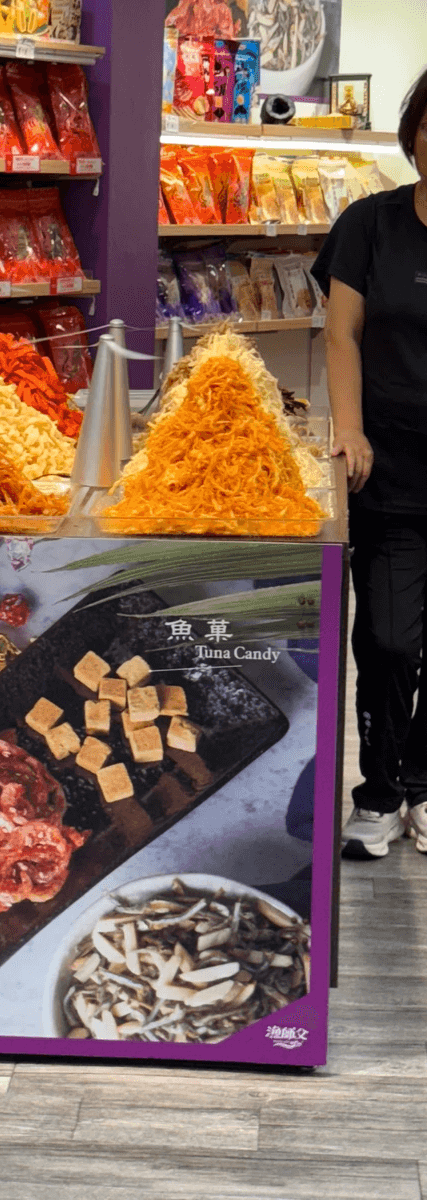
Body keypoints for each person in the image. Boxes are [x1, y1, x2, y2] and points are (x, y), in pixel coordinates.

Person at [312, 67, 427, 859]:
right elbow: (342, 336)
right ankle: (379, 792)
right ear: (415, 130)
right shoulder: (369, 225)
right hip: (386, 467)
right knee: (387, 640)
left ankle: (420, 787)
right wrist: (348, 429)